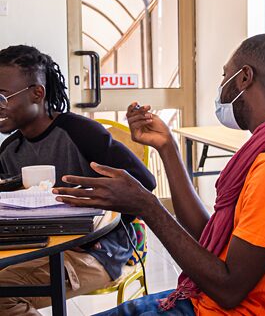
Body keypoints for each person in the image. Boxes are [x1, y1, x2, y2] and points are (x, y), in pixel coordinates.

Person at [55, 34, 265, 315]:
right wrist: (168, 149)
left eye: (224, 75)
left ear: (244, 77)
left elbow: (228, 289)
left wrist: (147, 206)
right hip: (206, 302)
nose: (221, 86)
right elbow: (208, 237)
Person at [0, 45, 156, 316]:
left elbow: (144, 184)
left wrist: (101, 230)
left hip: (98, 251)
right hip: (39, 249)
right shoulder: (9, 150)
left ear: (37, 93)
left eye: (2, 97)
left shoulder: (81, 133)